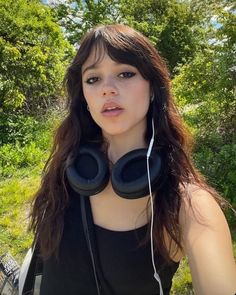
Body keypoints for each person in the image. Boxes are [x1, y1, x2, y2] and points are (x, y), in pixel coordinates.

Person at [29, 24, 236, 295]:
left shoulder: (187, 205)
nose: (107, 89)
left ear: (153, 88)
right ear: (84, 98)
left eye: (125, 73)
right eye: (93, 79)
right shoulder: (67, 170)